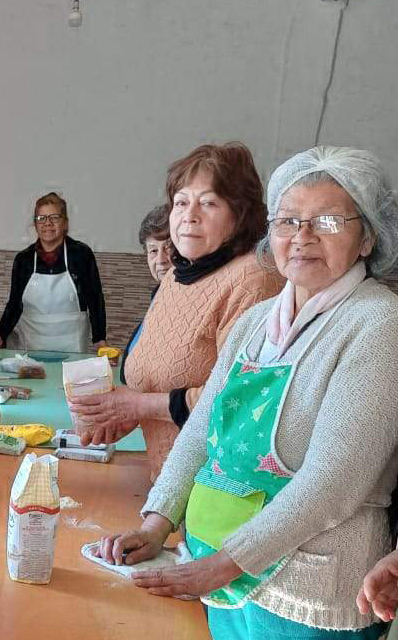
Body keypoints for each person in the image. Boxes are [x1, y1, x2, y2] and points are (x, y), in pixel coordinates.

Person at [94, 146, 398, 639]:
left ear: (367, 238)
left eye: (327, 221)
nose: (302, 238)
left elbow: (334, 483)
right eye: (288, 221)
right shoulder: (258, 321)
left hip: (307, 595)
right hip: (224, 576)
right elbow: (201, 429)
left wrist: (223, 565)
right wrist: (156, 522)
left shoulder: (377, 324)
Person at [72, 143, 284, 480]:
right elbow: (160, 377)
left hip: (224, 489)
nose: (190, 215)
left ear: (240, 214)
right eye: (181, 202)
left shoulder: (253, 279)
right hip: (169, 486)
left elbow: (241, 399)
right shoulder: (176, 276)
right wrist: (126, 415)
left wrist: (139, 405)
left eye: (209, 203)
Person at [0, 192, 106, 353]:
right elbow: (15, 304)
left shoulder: (81, 254)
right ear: (35, 224)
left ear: (65, 223)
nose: (47, 223)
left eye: (54, 218)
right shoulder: (24, 259)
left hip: (72, 345)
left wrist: (100, 339)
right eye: (41, 218)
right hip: (31, 344)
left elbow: (95, 299)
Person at [120, 204, 172, 384]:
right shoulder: (159, 294)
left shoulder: (185, 300)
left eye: (169, 248)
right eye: (153, 250)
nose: (161, 260)